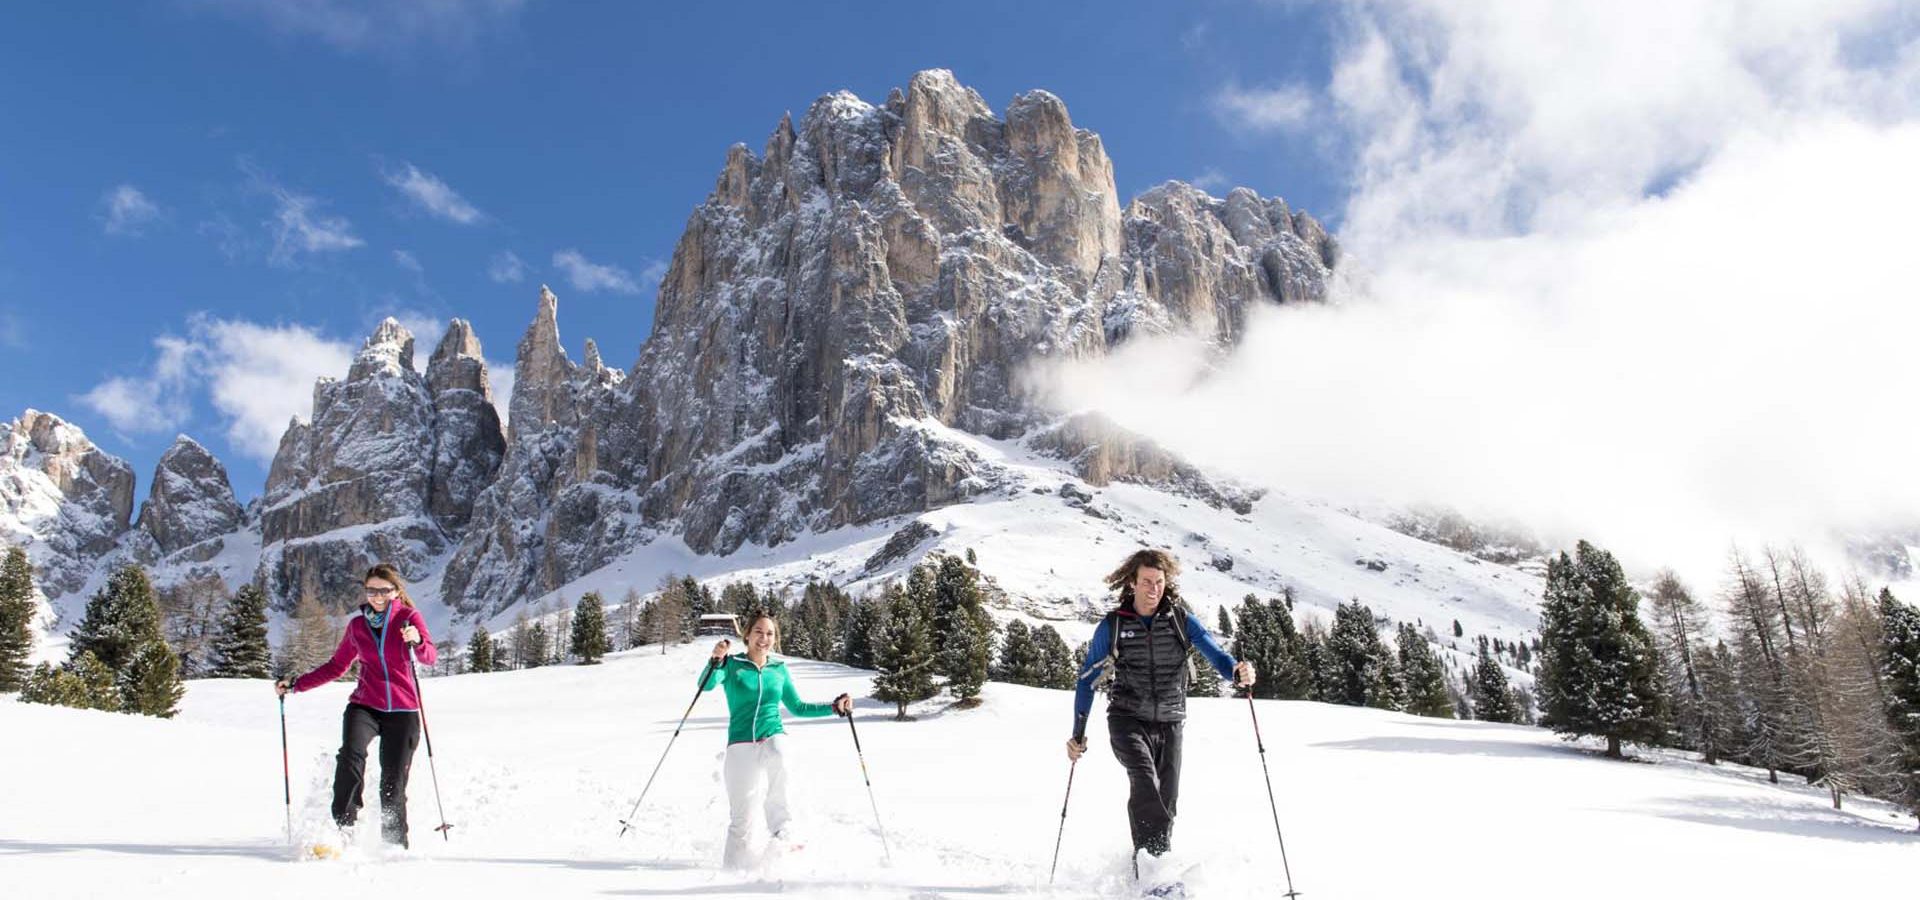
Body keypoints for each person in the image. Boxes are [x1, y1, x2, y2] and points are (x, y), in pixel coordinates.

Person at [1067, 549, 1253, 866]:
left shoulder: (1181, 621)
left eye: (1159, 582)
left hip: (1171, 722)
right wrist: (1078, 735)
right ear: (1132, 584)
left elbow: (1217, 656)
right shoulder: (1113, 626)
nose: (1153, 589)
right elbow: (1087, 680)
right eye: (1147, 582)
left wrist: (1237, 671)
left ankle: (1147, 862)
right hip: (1127, 720)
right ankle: (1156, 869)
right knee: (1144, 782)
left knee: (1167, 800)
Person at [276, 563, 437, 848]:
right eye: (371, 590)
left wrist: (418, 640)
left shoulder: (408, 618)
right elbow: (337, 666)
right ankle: (344, 829)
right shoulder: (357, 625)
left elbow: (429, 657)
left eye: (383, 591)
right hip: (365, 705)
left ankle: (393, 844)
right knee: (351, 757)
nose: (377, 596)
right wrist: (297, 684)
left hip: (402, 711)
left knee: (393, 781)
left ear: (395, 591)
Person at [702, 611, 852, 868]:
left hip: (772, 732)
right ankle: (734, 871)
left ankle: (783, 832)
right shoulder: (732, 664)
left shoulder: (779, 670)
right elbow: (705, 685)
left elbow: (798, 707)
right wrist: (715, 661)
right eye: (758, 631)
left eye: (770, 633)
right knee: (742, 818)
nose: (764, 638)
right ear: (747, 635)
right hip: (740, 743)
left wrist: (834, 707)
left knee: (779, 754)